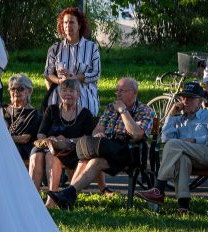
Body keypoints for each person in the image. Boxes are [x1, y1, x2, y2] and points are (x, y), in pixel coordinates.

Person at [47, 77, 155, 209]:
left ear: (134, 93)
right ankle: (68, 195)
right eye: (117, 91)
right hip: (106, 148)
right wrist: (98, 133)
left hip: (128, 151)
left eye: (122, 91)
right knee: (93, 160)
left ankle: (67, 195)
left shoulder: (145, 111)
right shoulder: (111, 108)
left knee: (94, 158)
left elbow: (137, 134)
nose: (118, 94)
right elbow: (98, 128)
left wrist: (123, 111)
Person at [136, 82, 208, 214]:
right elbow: (165, 139)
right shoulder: (178, 119)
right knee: (182, 158)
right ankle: (184, 206)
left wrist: (195, 140)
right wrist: (170, 116)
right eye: (182, 98)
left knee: (174, 144)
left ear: (200, 101)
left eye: (189, 98)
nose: (185, 101)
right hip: (188, 156)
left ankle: (158, 188)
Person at [28, 79, 95, 206]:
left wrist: (68, 141)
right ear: (59, 93)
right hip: (49, 145)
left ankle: (52, 199)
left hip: (71, 149)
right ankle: (33, 198)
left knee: (50, 156)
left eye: (71, 91)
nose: (67, 94)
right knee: (37, 154)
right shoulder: (51, 110)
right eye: (64, 90)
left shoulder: (85, 113)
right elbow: (41, 133)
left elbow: (87, 137)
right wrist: (48, 140)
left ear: (78, 94)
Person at [44, 7, 101, 115]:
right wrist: (59, 81)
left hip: (84, 93)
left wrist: (76, 78)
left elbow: (96, 74)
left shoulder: (92, 47)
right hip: (60, 92)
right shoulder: (55, 48)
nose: (68, 25)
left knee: (84, 122)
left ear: (79, 25)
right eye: (65, 22)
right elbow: (48, 74)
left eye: (71, 22)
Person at [2, 73, 41, 160]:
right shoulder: (3, 109)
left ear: (29, 91)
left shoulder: (34, 114)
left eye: (20, 88)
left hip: (20, 149)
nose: (16, 92)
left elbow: (24, 139)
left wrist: (2, 139)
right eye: (12, 89)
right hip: (1, 146)